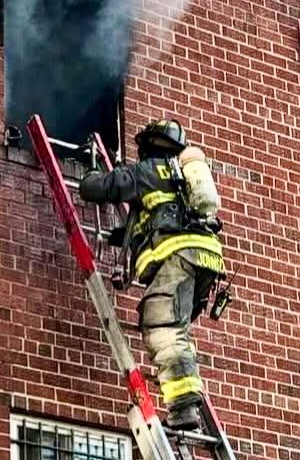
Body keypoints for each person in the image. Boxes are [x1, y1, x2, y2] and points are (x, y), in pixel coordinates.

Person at [79, 118, 225, 431]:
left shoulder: (147, 171)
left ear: (149, 145)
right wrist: (124, 237)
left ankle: (184, 410)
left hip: (179, 256)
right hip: (205, 260)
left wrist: (89, 171)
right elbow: (157, 219)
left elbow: (97, 188)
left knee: (162, 327)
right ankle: (184, 397)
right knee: (176, 331)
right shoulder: (179, 178)